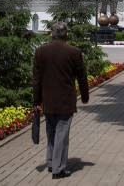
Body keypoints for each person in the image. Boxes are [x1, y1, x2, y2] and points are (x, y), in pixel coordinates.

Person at [33, 22, 89, 180]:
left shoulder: (40, 51)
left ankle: (51, 162)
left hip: (48, 100)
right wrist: (85, 96)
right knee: (62, 135)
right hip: (65, 100)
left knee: (51, 132)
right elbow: (82, 77)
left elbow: (36, 79)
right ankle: (58, 169)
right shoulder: (74, 52)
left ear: (52, 33)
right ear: (66, 34)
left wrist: (36, 101)